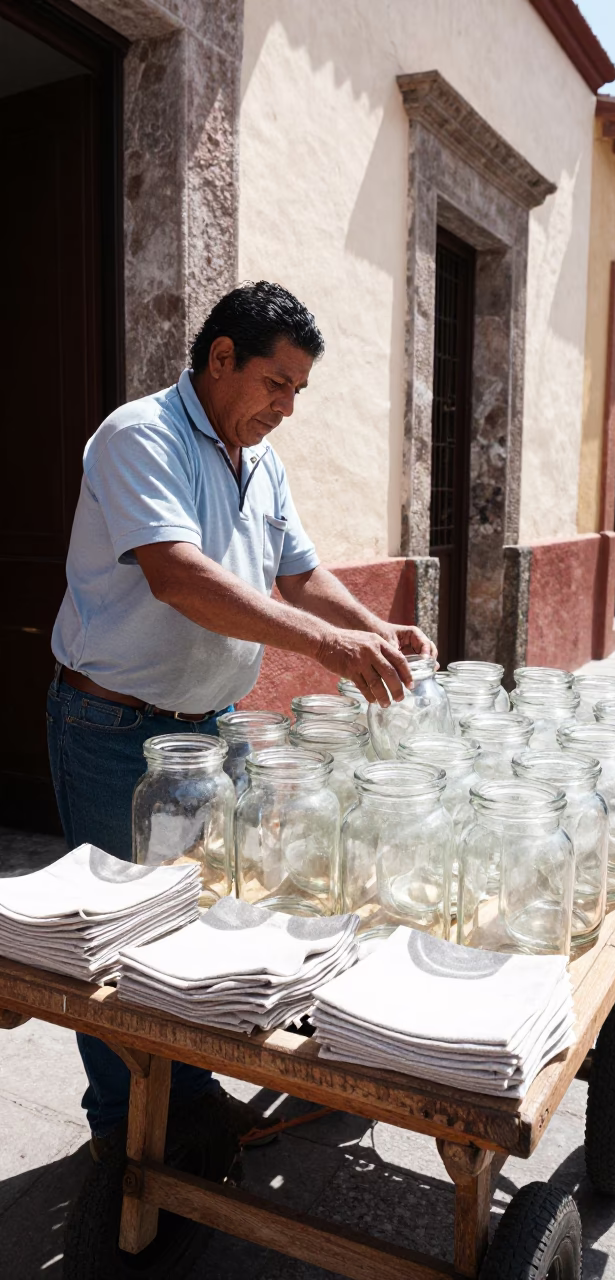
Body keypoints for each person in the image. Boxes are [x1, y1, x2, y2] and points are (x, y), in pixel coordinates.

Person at [47, 280, 435, 1152]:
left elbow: (298, 572)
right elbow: (177, 575)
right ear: (221, 358)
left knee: (202, 916)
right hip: (112, 729)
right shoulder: (139, 436)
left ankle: (186, 1098)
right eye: (277, 382)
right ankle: (127, 1135)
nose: (287, 407)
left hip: (209, 730)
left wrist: (373, 630)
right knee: (116, 939)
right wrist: (329, 648)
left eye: (299, 390)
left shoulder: (261, 461)